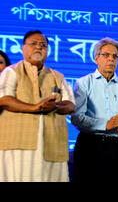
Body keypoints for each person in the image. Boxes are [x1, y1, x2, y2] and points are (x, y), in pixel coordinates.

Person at [0, 30, 75, 182]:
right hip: (19, 145)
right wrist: (35, 107)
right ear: (23, 48)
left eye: (43, 45)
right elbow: (4, 99)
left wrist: (55, 106)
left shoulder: (57, 76)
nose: (39, 47)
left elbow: (70, 105)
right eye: (33, 43)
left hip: (52, 146)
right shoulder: (11, 71)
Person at [71, 37, 118, 182]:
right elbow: (77, 117)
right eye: (106, 55)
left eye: (115, 56)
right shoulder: (83, 83)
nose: (111, 59)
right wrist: (105, 125)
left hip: (116, 146)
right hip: (89, 145)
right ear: (96, 59)